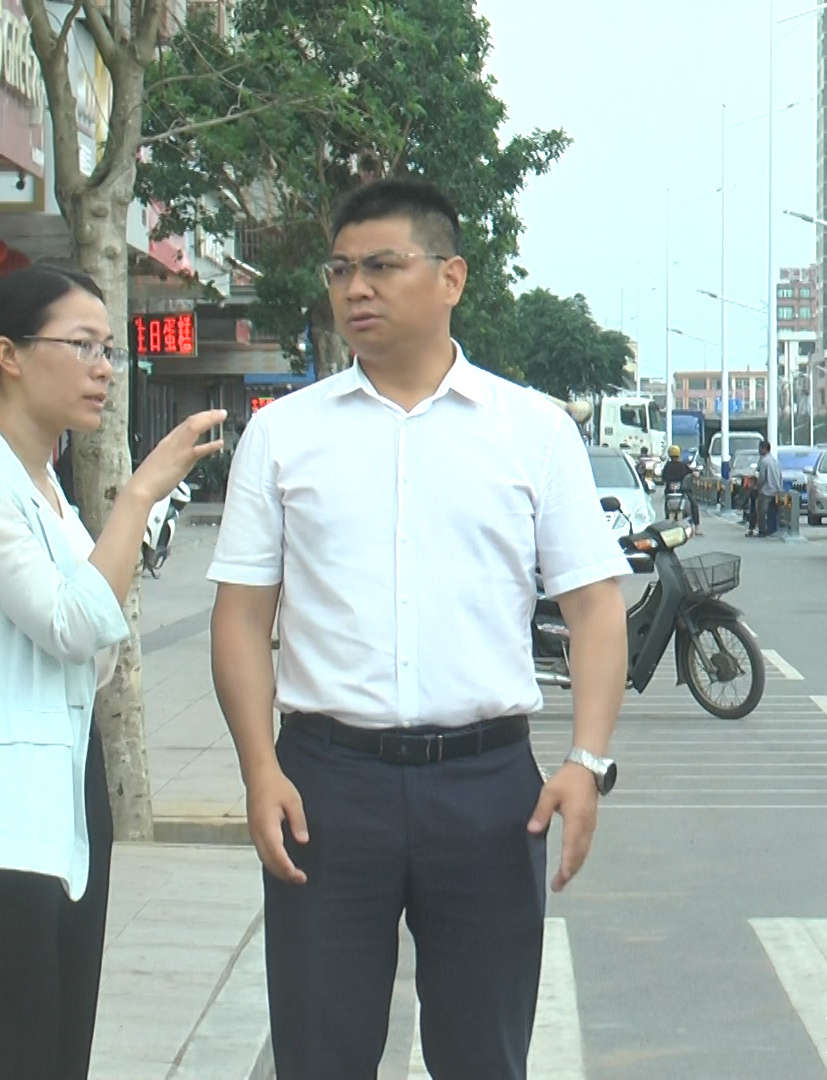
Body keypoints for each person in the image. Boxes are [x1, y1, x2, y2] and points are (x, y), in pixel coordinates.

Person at [207, 177, 632, 1080]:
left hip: (487, 789)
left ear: (451, 277)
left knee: (484, 1056)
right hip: (327, 785)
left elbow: (596, 607)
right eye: (339, 270)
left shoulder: (532, 430)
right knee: (320, 1056)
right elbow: (241, 618)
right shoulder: (283, 436)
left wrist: (586, 761)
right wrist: (259, 770)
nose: (355, 288)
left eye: (382, 266)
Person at [0, 264, 227, 1080]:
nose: (103, 368)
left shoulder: (43, 483)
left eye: (109, 350)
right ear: (9, 355)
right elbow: (75, 624)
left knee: (59, 1054)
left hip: (63, 779)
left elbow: (96, 643)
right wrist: (138, 495)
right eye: (83, 345)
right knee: (15, 1052)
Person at [659, 445, 700, 533]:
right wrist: (695, 473)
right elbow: (692, 473)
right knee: (693, 504)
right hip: (682, 491)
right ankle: (697, 527)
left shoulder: (667, 466)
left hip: (669, 492)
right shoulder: (683, 465)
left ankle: (667, 521)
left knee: (666, 505)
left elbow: (663, 478)